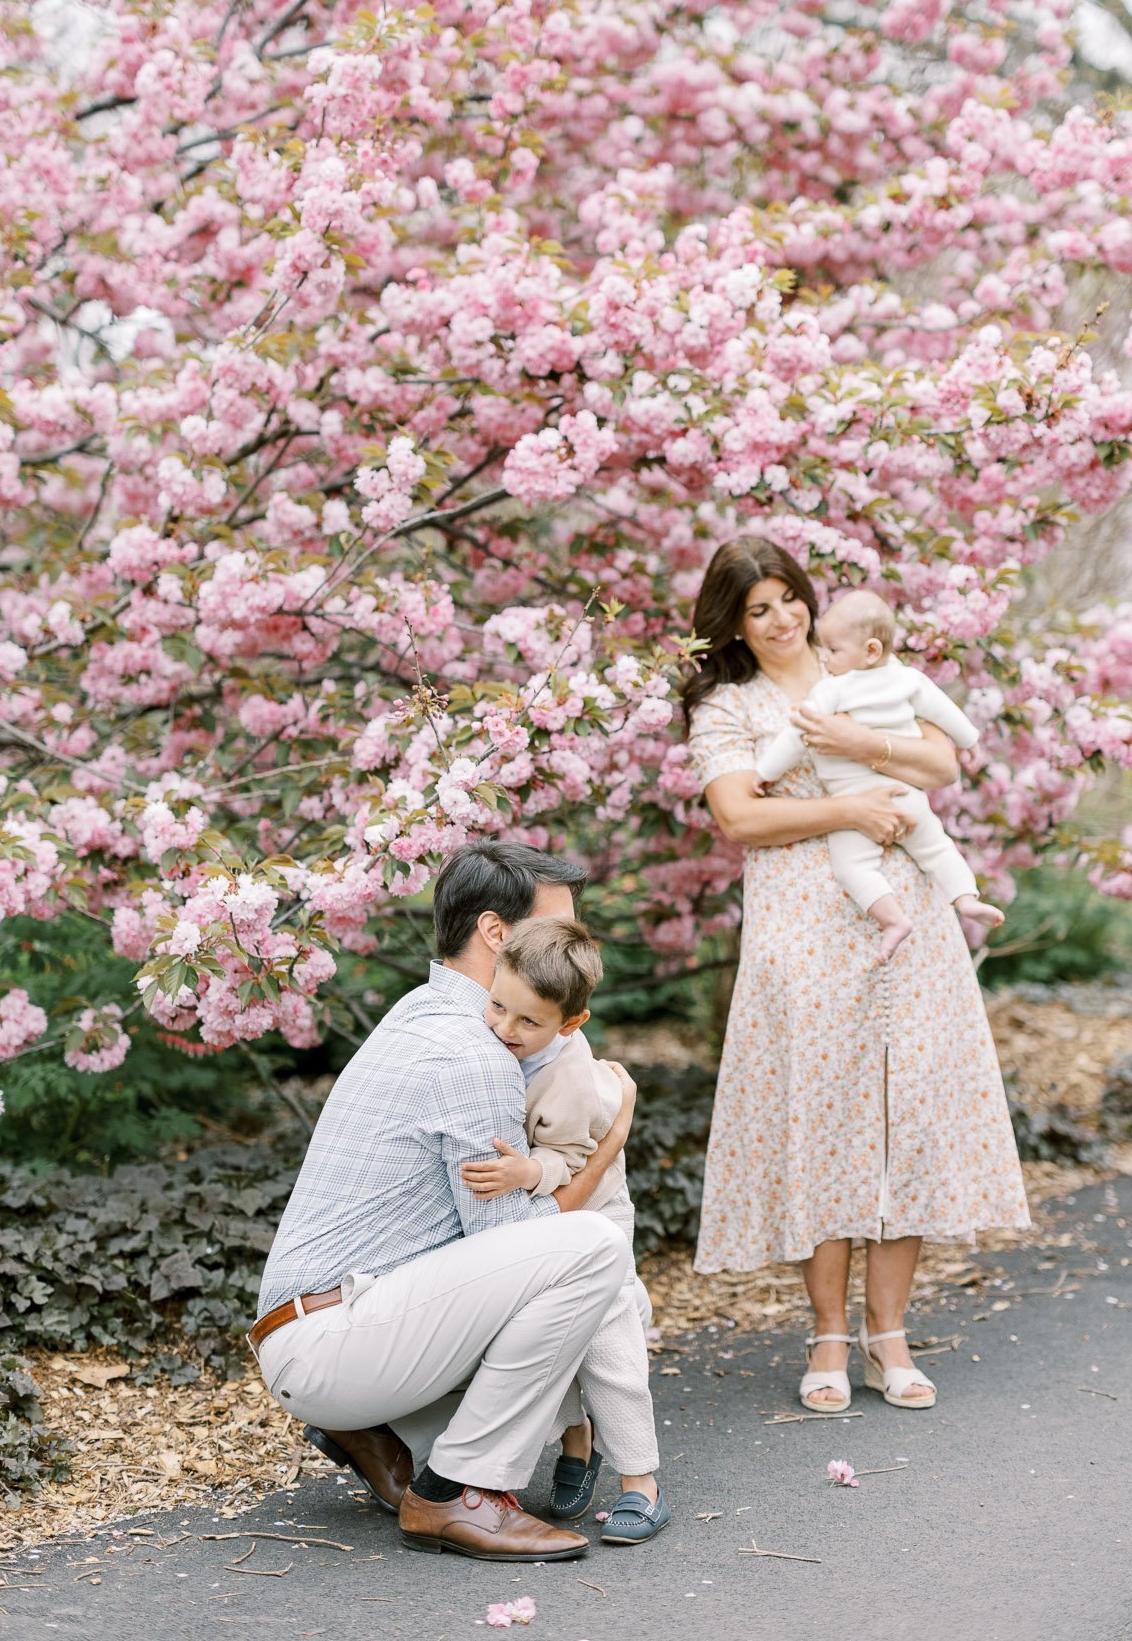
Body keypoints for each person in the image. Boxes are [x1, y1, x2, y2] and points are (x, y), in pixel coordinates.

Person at [683, 537, 1029, 1415]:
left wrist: (858, 744)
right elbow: (737, 816)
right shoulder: (729, 704)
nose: (782, 618)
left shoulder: (864, 667)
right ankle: (828, 1336)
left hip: (902, 914)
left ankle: (890, 1334)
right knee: (825, 1114)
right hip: (801, 923)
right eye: (758, 608)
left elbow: (941, 763)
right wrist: (848, 805)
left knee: (902, 1110)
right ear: (734, 622)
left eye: (788, 597)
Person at [252, 840, 637, 1563]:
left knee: (565, 1261)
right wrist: (609, 1140)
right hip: (335, 1340)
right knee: (594, 1247)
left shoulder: (421, 1012)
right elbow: (509, 1240)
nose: (570, 945)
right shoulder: (476, 1055)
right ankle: (460, 1491)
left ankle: (392, 1437)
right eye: (557, 928)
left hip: (320, 1323)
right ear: (497, 933)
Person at [461, 916, 671, 1546]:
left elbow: (576, 1160)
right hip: (543, 1218)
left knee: (608, 1347)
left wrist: (530, 1169)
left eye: (530, 1022)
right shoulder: (490, 1034)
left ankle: (643, 1484)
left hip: (595, 1216)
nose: (506, 1029)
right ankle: (576, 1445)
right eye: (498, 1007)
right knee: (546, 1337)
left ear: (571, 1024)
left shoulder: (573, 1076)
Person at [755, 588, 1005, 963]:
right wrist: (969, 740)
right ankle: (967, 898)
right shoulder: (910, 679)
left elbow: (795, 737)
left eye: (834, 650)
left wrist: (765, 772)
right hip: (907, 796)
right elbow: (946, 713)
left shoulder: (829, 690)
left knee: (853, 866)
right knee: (937, 847)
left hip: (856, 800)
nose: (824, 657)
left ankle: (892, 920)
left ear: (870, 650)